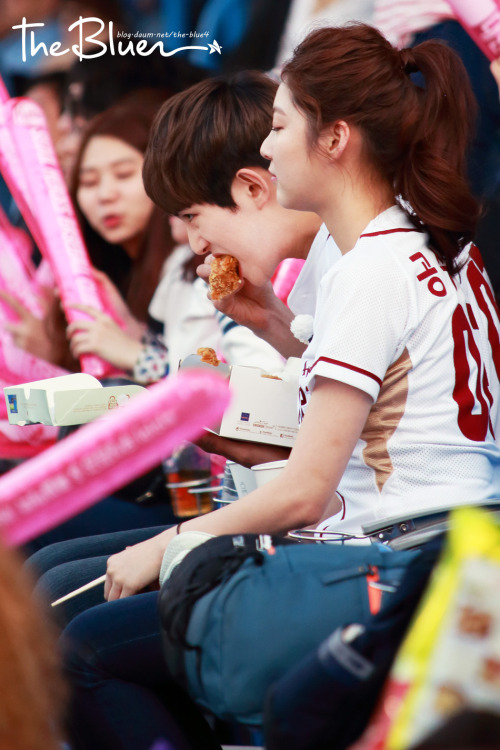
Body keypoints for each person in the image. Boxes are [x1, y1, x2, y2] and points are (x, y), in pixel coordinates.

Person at [33, 35, 500, 744]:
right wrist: (282, 330)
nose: (270, 151)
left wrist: (172, 544)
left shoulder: (372, 265)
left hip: (396, 561)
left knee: (82, 648)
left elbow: (307, 491)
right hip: (433, 541)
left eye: (281, 126)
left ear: (335, 139)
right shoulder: (421, 240)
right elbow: (386, 410)